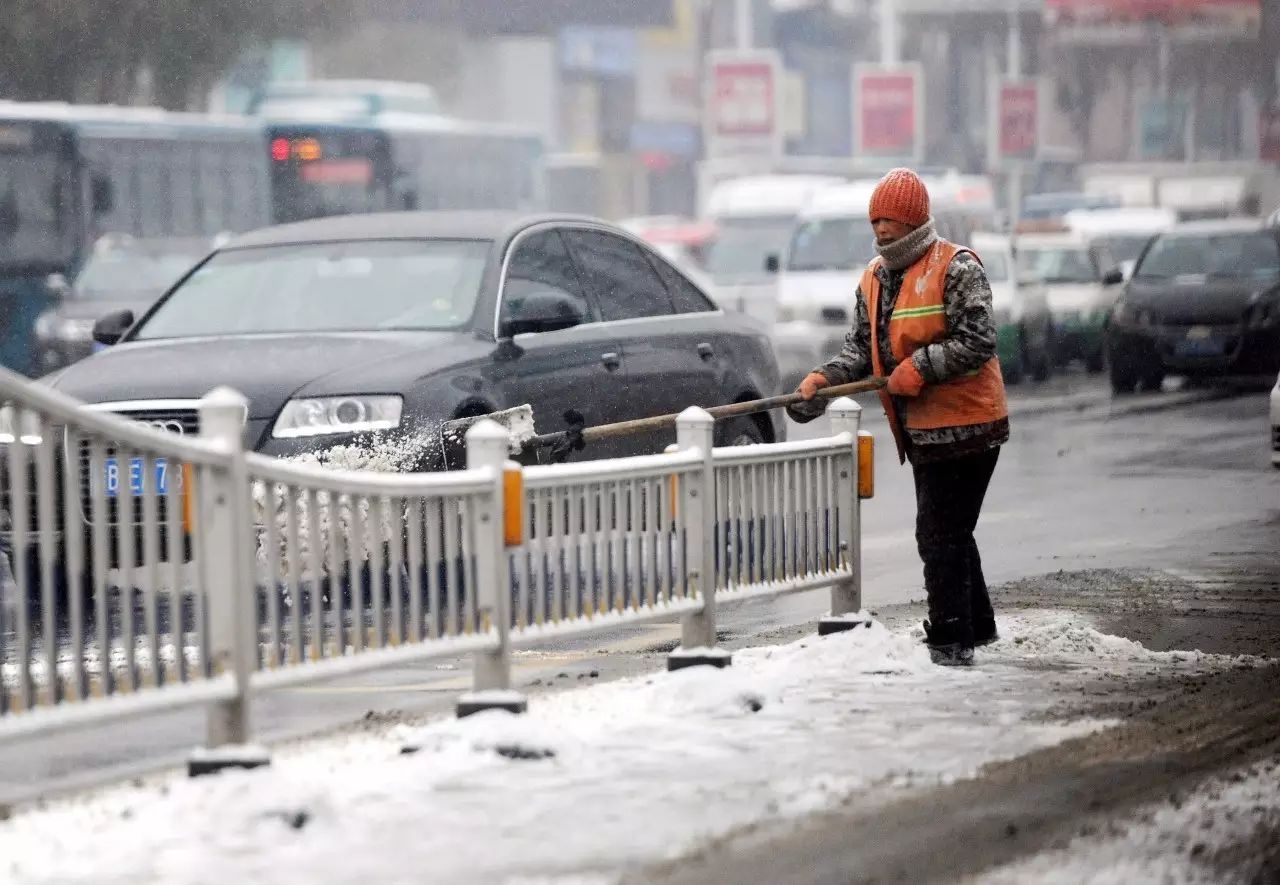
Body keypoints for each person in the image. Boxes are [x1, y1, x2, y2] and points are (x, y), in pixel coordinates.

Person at [788, 168, 1009, 666]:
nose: (882, 228)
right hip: (921, 430)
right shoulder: (873, 277)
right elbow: (860, 351)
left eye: (891, 218)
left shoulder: (956, 267)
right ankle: (978, 624)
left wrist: (921, 368)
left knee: (939, 533)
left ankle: (951, 639)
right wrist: (824, 381)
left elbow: (979, 339)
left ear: (914, 219)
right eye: (876, 219)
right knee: (952, 529)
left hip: (972, 424)